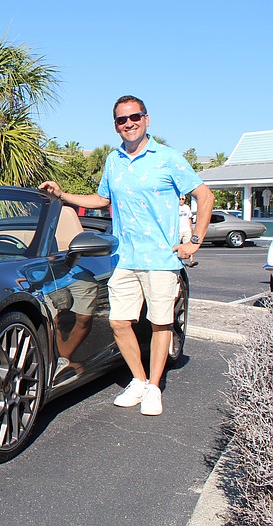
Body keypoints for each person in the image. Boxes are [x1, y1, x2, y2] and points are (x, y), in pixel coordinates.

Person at [39, 95, 214, 416]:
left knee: (161, 324)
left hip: (161, 259)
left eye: (134, 117)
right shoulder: (114, 160)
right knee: (119, 322)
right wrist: (62, 195)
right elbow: (100, 198)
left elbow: (204, 196)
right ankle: (138, 379)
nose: (129, 123)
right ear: (116, 126)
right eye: (121, 119)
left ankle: (153, 388)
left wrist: (194, 241)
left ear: (147, 119)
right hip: (123, 258)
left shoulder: (167, 158)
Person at [178, 195, 197, 267]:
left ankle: (191, 260)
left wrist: (190, 228)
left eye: (183, 199)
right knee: (178, 245)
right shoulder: (175, 208)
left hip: (186, 229)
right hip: (178, 230)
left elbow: (189, 218)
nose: (181, 200)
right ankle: (179, 260)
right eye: (180, 199)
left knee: (189, 245)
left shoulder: (186, 207)